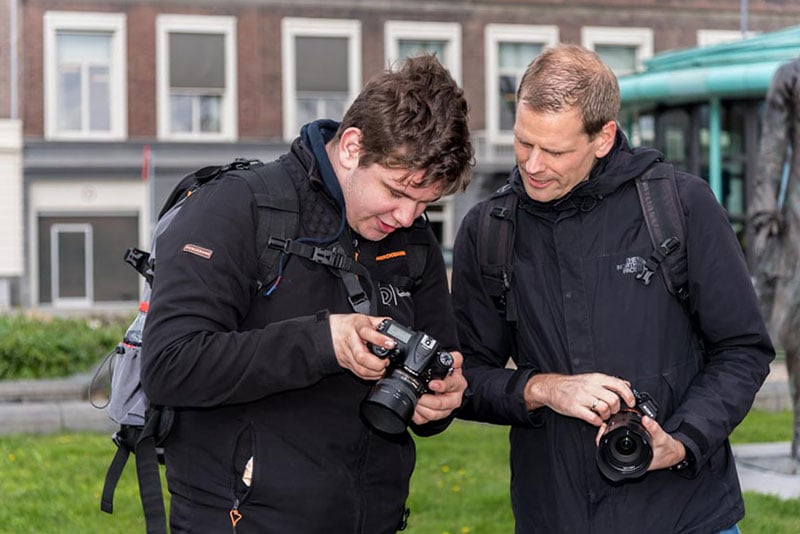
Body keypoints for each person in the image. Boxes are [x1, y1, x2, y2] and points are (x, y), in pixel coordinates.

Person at [140, 54, 472, 533]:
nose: (406, 216)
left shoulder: (411, 240)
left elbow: (439, 363)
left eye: (425, 202)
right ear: (353, 146)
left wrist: (442, 400)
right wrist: (324, 342)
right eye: (398, 191)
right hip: (241, 520)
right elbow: (171, 365)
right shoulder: (239, 206)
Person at [451, 43, 774, 533]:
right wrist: (544, 389)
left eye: (554, 150)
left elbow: (743, 349)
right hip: (553, 517)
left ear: (603, 137)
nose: (532, 165)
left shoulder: (680, 205)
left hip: (687, 517)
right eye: (523, 143)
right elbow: (464, 378)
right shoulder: (489, 228)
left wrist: (682, 440)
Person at [749, 55, 800, 463]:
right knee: (795, 325)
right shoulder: (791, 75)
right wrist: (766, 209)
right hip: (799, 213)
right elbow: (772, 146)